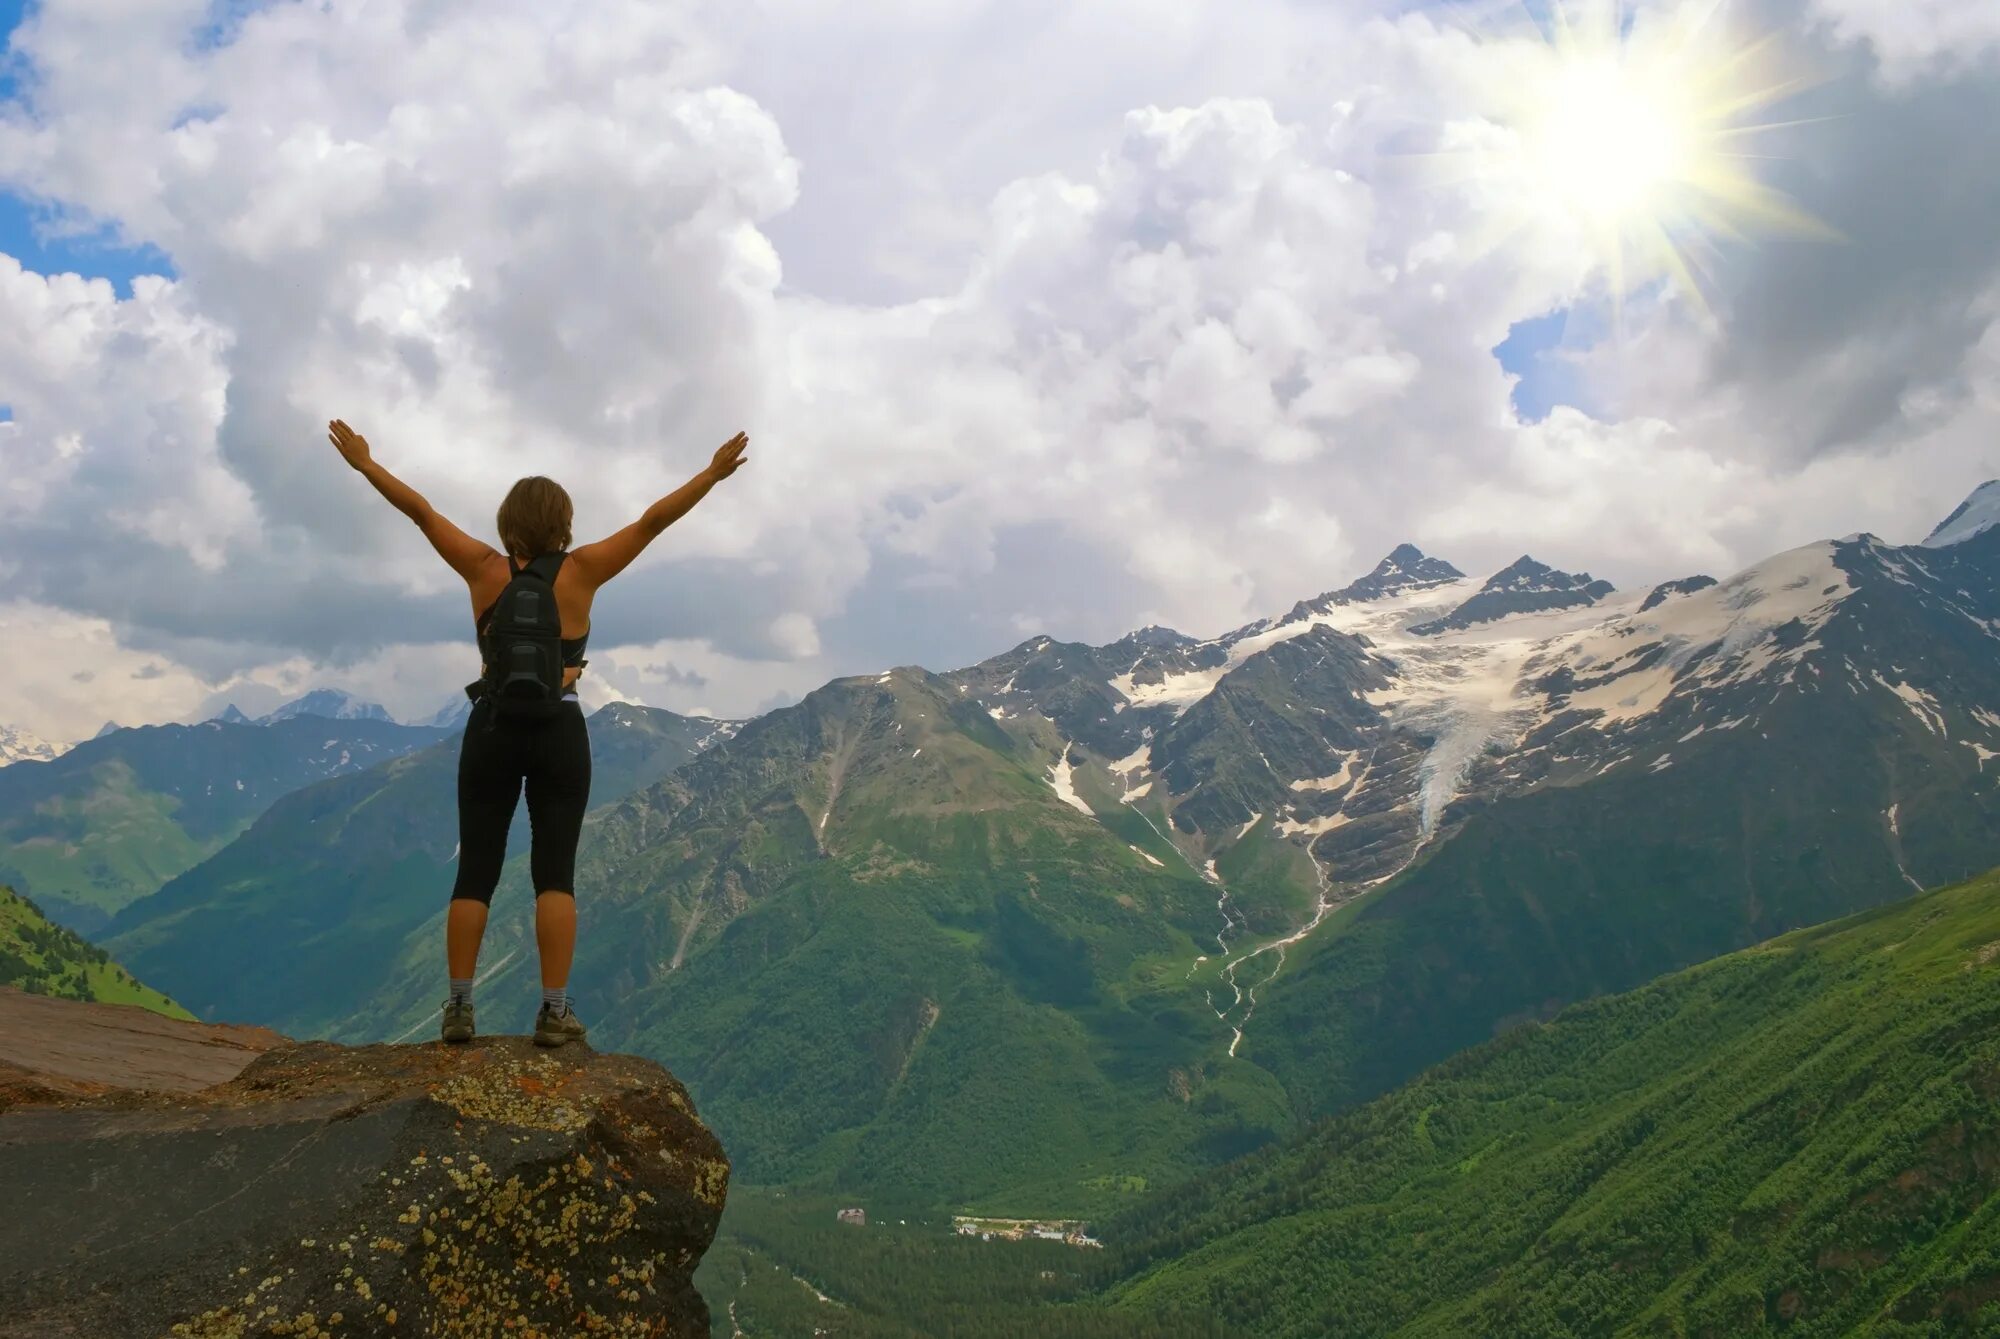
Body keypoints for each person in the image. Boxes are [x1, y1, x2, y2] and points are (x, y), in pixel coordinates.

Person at [328, 419, 749, 1046]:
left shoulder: (481, 568)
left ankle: (459, 1009)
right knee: (555, 874)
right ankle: (554, 1012)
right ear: (565, 523)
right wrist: (711, 476)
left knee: (476, 870)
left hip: (491, 728)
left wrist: (366, 464)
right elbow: (652, 522)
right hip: (560, 729)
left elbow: (420, 511)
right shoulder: (583, 572)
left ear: (506, 522)